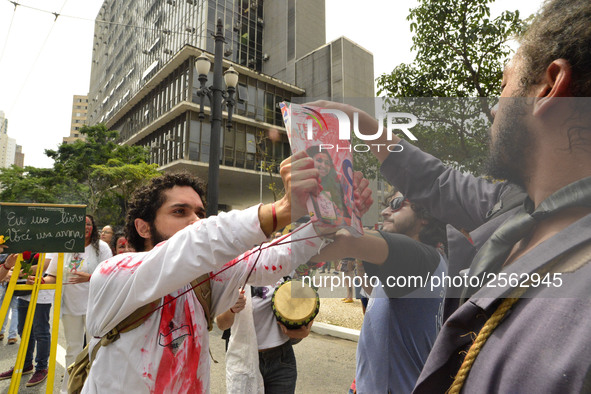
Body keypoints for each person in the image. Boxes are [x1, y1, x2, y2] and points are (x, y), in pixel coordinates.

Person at [311, 0, 591, 390]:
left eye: (504, 85)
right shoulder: (510, 205)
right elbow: (434, 180)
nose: (493, 109)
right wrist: (360, 121)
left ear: (548, 86)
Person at [80, 153, 372, 393]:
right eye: (180, 212)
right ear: (143, 227)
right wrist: (281, 209)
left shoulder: (203, 282)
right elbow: (198, 242)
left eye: (199, 213)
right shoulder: (114, 274)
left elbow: (273, 258)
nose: (195, 220)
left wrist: (330, 217)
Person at [313, 191, 447, 393]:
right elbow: (378, 294)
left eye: (397, 203)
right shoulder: (432, 260)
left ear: (425, 215)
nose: (384, 212)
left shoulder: (417, 256)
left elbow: (346, 239)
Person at [44, 215, 112, 392]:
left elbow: (110, 275)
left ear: (93, 227)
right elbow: (53, 275)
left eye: (88, 224)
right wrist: (39, 281)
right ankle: (68, 388)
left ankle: (92, 388)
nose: (85, 227)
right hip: (70, 307)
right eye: (81, 225)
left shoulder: (102, 248)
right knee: (72, 350)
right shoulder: (65, 248)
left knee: (94, 350)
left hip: (95, 307)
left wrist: (90, 277)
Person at [216, 276, 313, 394]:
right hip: (244, 360)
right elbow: (221, 324)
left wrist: (303, 331)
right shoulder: (234, 275)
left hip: (281, 361)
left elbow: (306, 306)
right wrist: (231, 309)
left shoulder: (284, 271)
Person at [0, 253, 55, 387]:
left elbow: (46, 265)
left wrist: (19, 271)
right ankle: (25, 364)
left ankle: (42, 367)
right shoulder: (28, 239)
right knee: (23, 330)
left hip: (42, 292)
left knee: (40, 331)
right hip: (23, 290)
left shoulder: (52, 241)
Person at [306, 145, 350, 223]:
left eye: (327, 163)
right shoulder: (303, 185)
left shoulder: (335, 188)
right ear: (310, 161)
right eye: (319, 160)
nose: (323, 166)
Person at [0, 254, 19, 345]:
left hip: (10, 275)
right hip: (14, 276)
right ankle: (12, 335)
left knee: (5, 305)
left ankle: (3, 331)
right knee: (15, 307)